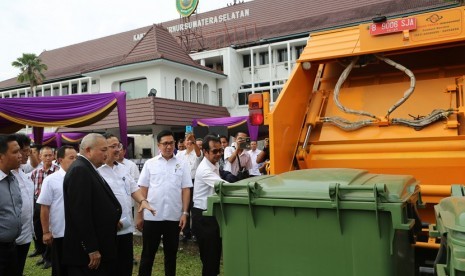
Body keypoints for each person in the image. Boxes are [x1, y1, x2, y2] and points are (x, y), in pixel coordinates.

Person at [62, 133, 122, 276]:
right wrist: (91, 248)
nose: (106, 154)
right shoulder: (80, 170)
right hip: (85, 255)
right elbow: (80, 214)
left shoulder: (88, 168)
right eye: (103, 150)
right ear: (88, 150)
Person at [137, 130, 192, 276]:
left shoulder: (182, 164)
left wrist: (185, 213)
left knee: (171, 255)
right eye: (165, 143)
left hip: (173, 217)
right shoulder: (150, 164)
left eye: (171, 143)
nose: (169, 146)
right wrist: (140, 215)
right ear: (159, 145)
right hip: (152, 216)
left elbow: (186, 189)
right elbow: (143, 190)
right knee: (148, 254)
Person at [99, 134, 155, 276]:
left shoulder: (123, 168)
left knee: (125, 265)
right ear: (104, 149)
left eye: (118, 145)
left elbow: (133, 189)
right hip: (108, 229)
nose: (117, 149)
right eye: (113, 146)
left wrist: (143, 201)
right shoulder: (96, 171)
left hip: (126, 227)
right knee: (110, 266)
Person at [37, 145, 77, 276]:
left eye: (77, 158)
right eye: (71, 158)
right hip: (60, 232)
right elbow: (44, 207)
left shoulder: (81, 178)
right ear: (60, 160)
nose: (75, 161)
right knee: (60, 269)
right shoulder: (51, 180)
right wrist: (46, 232)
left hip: (78, 232)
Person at [192, 135, 225, 276]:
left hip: (212, 214)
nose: (218, 154)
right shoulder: (204, 169)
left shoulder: (214, 164)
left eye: (220, 151)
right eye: (214, 151)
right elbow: (224, 187)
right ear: (205, 152)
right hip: (203, 216)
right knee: (210, 258)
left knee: (215, 255)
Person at [30, 146, 59, 269]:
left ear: (53, 156)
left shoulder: (57, 171)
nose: (48, 158)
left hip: (51, 205)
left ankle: (50, 258)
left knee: (49, 231)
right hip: (37, 204)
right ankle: (43, 254)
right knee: (38, 230)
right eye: (45, 155)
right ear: (40, 157)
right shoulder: (36, 172)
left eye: (50, 155)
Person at [11, 134, 34, 276]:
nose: (27, 153)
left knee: (19, 268)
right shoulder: (5, 176)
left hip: (25, 234)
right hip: (11, 238)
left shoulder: (23, 173)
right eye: (24, 150)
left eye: (28, 149)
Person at [0, 134, 23, 275]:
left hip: (12, 247)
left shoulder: (13, 179)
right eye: (15, 152)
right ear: (1, 156)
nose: (20, 155)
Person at [176, 133, 202, 242]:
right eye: (187, 141)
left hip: (194, 182)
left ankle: (195, 233)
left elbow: (199, 154)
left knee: (194, 208)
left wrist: (194, 142)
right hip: (182, 183)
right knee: (184, 208)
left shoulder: (196, 153)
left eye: (191, 141)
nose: (189, 143)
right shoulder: (179, 154)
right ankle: (185, 232)